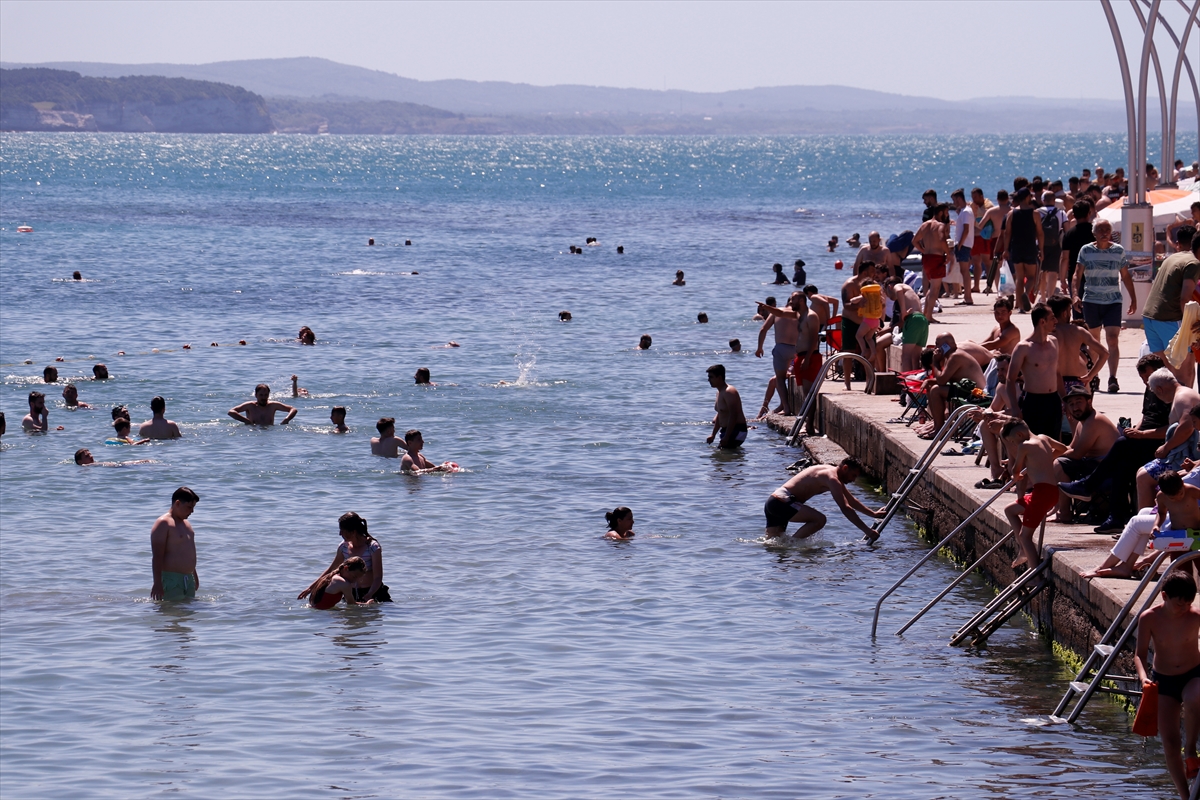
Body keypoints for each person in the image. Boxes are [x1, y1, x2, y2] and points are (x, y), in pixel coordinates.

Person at [1059, 354, 1174, 532]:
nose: (1146, 382)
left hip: (1158, 445)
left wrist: (1142, 434)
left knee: (1121, 443)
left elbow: (1174, 428)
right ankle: (1116, 518)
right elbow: (1146, 416)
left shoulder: (1169, 392)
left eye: (1148, 377)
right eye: (1143, 378)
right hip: (1143, 439)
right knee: (1121, 465)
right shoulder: (1150, 389)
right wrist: (1135, 430)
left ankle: (1088, 486)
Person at [1134, 570, 1200, 800]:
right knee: (1170, 744)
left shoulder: (1196, 616)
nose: (1184, 609)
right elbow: (1139, 655)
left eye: (1188, 604)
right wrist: (1144, 678)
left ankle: (1191, 749)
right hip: (1163, 681)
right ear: (1164, 596)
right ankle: (1185, 796)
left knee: (1195, 697)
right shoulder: (1149, 618)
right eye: (1179, 604)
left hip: (1193, 675)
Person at [1086, 470, 1200, 580]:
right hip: (1178, 535)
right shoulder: (1161, 497)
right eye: (1172, 498)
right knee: (1180, 570)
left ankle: (1122, 566)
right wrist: (1156, 525)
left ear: (1182, 484)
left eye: (1180, 493)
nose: (1178, 498)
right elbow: (1161, 513)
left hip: (1195, 532)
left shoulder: (1191, 490)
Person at [1073, 218, 1137, 393]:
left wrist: (1133, 298)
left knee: (1112, 339)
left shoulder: (1118, 251)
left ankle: (1113, 378)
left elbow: (1125, 276)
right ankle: (1094, 376)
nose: (1104, 233)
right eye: (1100, 230)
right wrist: (1075, 295)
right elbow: (1077, 275)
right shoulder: (1086, 250)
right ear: (1094, 233)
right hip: (1091, 300)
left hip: (1113, 301)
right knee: (1094, 342)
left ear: (1111, 233)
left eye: (1107, 230)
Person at [763, 458, 885, 542]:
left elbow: (851, 500)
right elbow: (845, 508)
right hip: (782, 503)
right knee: (820, 519)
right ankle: (793, 544)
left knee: (775, 544)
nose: (853, 480)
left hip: (773, 502)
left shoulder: (829, 471)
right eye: (853, 475)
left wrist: (873, 514)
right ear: (845, 468)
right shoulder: (833, 479)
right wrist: (867, 531)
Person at [1000, 420, 1066, 569]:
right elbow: (1063, 448)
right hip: (1049, 491)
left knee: (1025, 536)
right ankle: (1023, 549)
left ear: (1019, 434)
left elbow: (1016, 470)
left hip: (1042, 494)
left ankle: (1034, 573)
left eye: (1012, 441)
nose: (1014, 444)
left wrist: (1016, 476)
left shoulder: (1024, 446)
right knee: (1010, 510)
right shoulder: (1044, 438)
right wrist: (1044, 460)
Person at [1052, 387, 1120, 521]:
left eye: (1078, 402)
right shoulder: (1082, 423)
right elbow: (1070, 447)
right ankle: (1057, 508)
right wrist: (1047, 454)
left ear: (1089, 402)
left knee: (1059, 464)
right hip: (1091, 464)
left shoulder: (1094, 421)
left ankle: (1064, 513)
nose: (1075, 407)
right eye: (1071, 404)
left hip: (1105, 469)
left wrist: (1054, 458)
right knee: (1055, 462)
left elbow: (1077, 454)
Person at [1143, 229, 1200, 384]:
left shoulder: (1174, 257)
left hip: (1150, 317)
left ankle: (1171, 408)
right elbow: (1184, 299)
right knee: (1185, 375)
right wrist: (1194, 327)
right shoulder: (1194, 264)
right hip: (1170, 319)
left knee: (1167, 375)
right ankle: (1184, 408)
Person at [297, 512, 391, 604]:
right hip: (351, 593)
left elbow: (378, 577)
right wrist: (311, 588)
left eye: (342, 531)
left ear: (353, 531)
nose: (339, 534)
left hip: (374, 593)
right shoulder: (343, 547)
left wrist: (370, 594)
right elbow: (331, 570)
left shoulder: (373, 547)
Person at [1009, 303, 1062, 439]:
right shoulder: (1023, 347)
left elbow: (1057, 373)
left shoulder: (1054, 342)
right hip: (1033, 401)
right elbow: (1010, 379)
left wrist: (1065, 399)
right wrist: (1014, 407)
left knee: (1054, 441)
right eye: (1052, 318)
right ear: (1042, 321)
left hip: (1053, 400)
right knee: (1033, 443)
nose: (1056, 321)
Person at [919, 334, 987, 438]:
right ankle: (936, 425)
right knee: (930, 386)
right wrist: (929, 381)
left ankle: (939, 430)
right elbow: (945, 379)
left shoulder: (955, 356)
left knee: (936, 390)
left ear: (946, 346)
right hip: (966, 389)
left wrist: (935, 362)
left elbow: (941, 381)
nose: (935, 348)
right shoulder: (949, 356)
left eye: (938, 344)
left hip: (977, 394)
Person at [1047, 294, 1106, 395]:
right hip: (1076, 384)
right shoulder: (1078, 331)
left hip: (1055, 383)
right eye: (1069, 310)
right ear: (1065, 313)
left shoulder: (1048, 334)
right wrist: (1090, 375)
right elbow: (1104, 353)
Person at [997, 187, 1044, 312]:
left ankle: (1020, 307)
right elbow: (1040, 233)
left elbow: (1007, 233)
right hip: (1030, 248)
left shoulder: (1012, 213)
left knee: (1019, 277)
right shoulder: (1035, 213)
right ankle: (1026, 293)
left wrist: (1006, 249)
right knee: (1031, 277)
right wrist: (1041, 249)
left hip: (1016, 248)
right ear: (1028, 197)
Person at [755, 292, 802, 415]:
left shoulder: (777, 312)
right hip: (797, 349)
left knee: (780, 379)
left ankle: (785, 407)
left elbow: (763, 329)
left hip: (781, 348)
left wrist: (759, 348)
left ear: (786, 302)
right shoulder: (800, 314)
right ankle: (786, 406)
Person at [150, 487, 200, 601]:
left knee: (188, 616)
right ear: (177, 503)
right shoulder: (164, 523)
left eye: (193, 508)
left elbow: (188, 553)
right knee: (173, 615)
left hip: (188, 579)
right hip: (171, 580)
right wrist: (157, 583)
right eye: (189, 507)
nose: (192, 511)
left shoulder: (186, 525)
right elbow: (157, 556)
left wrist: (194, 576)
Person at [913, 204, 951, 321]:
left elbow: (914, 241)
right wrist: (948, 253)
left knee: (931, 287)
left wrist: (924, 250)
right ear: (941, 213)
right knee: (935, 289)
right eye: (946, 212)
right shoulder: (940, 225)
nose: (947, 215)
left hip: (927, 258)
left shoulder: (924, 225)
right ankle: (929, 316)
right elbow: (941, 239)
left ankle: (925, 313)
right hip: (937, 258)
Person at [884, 277, 925, 371]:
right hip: (922, 320)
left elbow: (898, 290)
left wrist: (903, 311)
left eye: (886, 293)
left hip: (913, 319)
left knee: (906, 356)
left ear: (889, 287)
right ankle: (915, 380)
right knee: (915, 357)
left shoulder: (898, 286)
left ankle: (907, 382)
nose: (888, 297)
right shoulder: (909, 291)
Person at [705, 364, 748, 449]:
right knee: (721, 456)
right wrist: (713, 435)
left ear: (719, 377)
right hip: (727, 430)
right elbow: (720, 415)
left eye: (711, 377)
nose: (708, 380)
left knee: (724, 454)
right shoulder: (719, 392)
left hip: (737, 429)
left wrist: (727, 436)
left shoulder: (729, 391)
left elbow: (734, 414)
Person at [1037, 191, 1068, 304]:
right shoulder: (1061, 213)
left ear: (1043, 200)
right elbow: (1066, 229)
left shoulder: (1038, 212)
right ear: (1054, 200)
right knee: (1053, 272)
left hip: (1041, 245)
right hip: (1055, 245)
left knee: (1042, 271)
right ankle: (1050, 297)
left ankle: (1043, 297)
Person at [950, 189, 976, 305]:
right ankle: (967, 296)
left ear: (959, 199)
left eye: (955, 200)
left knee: (964, 271)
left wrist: (959, 244)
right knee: (964, 271)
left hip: (964, 244)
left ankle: (968, 297)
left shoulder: (966, 212)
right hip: (966, 244)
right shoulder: (965, 211)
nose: (954, 202)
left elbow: (966, 229)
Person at [228, 384, 297, 426]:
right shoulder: (250, 406)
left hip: (269, 432)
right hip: (252, 432)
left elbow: (293, 409)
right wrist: (246, 421)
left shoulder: (273, 405)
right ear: (256, 395)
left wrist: (286, 419)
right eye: (261, 395)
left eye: (265, 395)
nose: (263, 398)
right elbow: (231, 412)